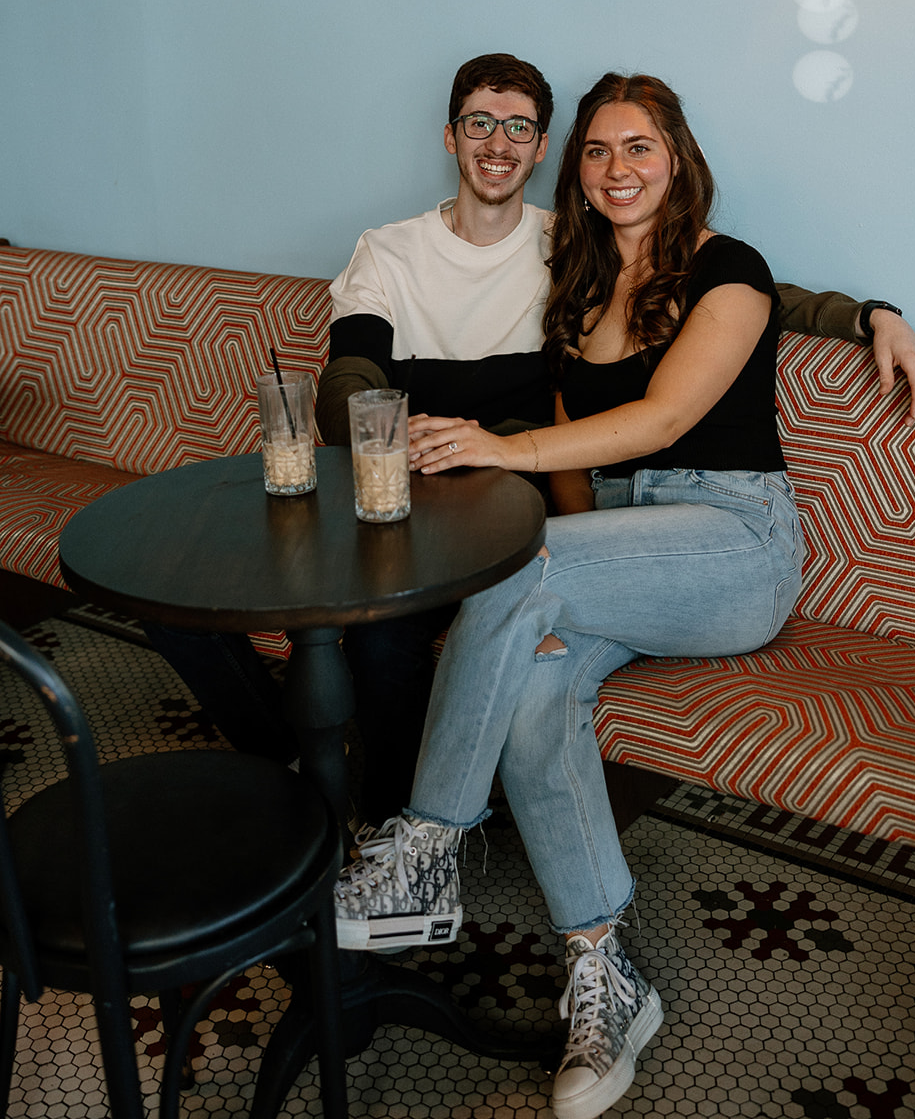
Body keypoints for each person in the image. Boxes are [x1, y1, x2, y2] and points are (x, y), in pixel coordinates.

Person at [144, 55, 915, 842]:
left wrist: (864, 315)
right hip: (407, 479)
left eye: (518, 128)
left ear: (539, 146)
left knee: (386, 634)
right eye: (480, 124)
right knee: (182, 588)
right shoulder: (389, 252)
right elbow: (346, 376)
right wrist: (395, 439)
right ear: (450, 137)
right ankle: (303, 769)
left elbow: (727, 284)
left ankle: (395, 830)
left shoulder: (571, 245)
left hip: (518, 500)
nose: (498, 143)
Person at [327, 73, 811, 1117]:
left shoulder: (729, 269)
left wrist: (872, 315)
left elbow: (661, 423)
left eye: (638, 146)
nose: (616, 167)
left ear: (674, 158)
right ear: (575, 170)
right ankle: (603, 969)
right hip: (616, 549)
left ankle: (423, 842)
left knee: (520, 565)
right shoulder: (576, 287)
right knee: (538, 681)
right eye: (596, 150)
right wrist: (550, 507)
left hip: (732, 542)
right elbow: (577, 488)